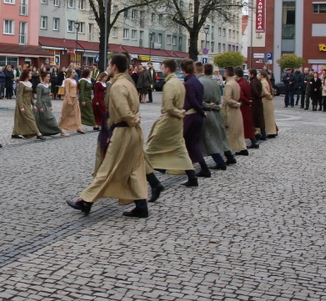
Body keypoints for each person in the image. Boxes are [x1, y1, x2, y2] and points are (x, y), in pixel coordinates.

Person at [67, 53, 150, 218]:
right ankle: (141, 206)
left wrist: (132, 120)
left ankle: (85, 200)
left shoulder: (119, 85)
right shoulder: (128, 82)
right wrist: (134, 119)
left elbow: (124, 110)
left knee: (107, 167)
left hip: (123, 131)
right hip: (132, 132)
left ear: (115, 67)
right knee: (134, 169)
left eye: (109, 64)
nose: (107, 67)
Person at [143, 59, 199, 198]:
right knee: (180, 147)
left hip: (169, 119)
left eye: (162, 67)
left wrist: (178, 113)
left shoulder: (169, 84)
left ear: (167, 68)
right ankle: (192, 176)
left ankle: (153, 181)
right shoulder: (180, 83)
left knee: (150, 148)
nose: (162, 69)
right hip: (178, 121)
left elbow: (168, 107)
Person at [198, 64, 235, 169]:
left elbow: (202, 99)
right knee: (220, 136)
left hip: (209, 111)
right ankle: (229, 156)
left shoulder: (203, 82)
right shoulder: (215, 82)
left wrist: (207, 105)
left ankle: (220, 162)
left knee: (210, 137)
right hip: (216, 111)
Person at [12, 69, 46, 140]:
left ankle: (15, 133)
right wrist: (21, 107)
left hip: (28, 103)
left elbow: (30, 96)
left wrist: (33, 105)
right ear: (26, 75)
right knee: (31, 118)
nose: (31, 75)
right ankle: (38, 133)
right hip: (22, 103)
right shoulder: (21, 84)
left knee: (20, 119)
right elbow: (20, 96)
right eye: (30, 74)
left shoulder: (29, 83)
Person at [222, 66, 246, 156]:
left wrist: (236, 104)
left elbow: (227, 99)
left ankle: (229, 151)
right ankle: (242, 148)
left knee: (230, 131)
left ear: (226, 73)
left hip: (231, 109)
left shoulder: (229, 84)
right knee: (238, 131)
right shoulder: (235, 83)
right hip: (236, 110)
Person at [35, 71, 66, 136]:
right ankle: (60, 131)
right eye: (48, 77)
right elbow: (38, 97)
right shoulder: (40, 86)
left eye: (49, 77)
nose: (49, 78)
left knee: (45, 119)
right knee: (51, 118)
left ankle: (46, 131)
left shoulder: (48, 85)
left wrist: (50, 105)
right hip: (42, 104)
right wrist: (40, 107)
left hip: (47, 103)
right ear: (44, 77)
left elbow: (48, 96)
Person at [235, 67, 258, 152]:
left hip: (243, 106)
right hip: (247, 105)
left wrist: (247, 101)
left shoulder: (240, 84)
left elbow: (241, 96)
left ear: (236, 75)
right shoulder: (245, 82)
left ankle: (246, 144)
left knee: (243, 125)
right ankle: (254, 141)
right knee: (248, 125)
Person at [58, 68, 84, 134]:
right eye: (73, 72)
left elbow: (76, 90)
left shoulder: (74, 80)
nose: (74, 74)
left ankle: (78, 127)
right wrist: (69, 100)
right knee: (66, 113)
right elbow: (66, 90)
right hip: (69, 98)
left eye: (74, 72)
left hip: (75, 98)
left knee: (77, 112)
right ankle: (59, 127)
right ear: (69, 73)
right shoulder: (67, 80)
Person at [248, 69, 266, 141]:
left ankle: (257, 135)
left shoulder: (253, 82)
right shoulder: (257, 81)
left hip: (255, 101)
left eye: (249, 74)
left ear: (252, 74)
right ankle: (263, 133)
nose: (248, 75)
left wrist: (258, 96)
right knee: (260, 118)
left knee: (255, 118)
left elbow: (255, 91)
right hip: (258, 101)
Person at [259, 70, 278, 138]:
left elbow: (265, 92)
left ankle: (269, 131)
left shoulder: (263, 82)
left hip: (265, 100)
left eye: (259, 75)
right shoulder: (266, 81)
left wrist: (269, 96)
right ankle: (272, 131)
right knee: (270, 117)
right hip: (268, 101)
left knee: (266, 117)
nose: (258, 76)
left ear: (262, 75)